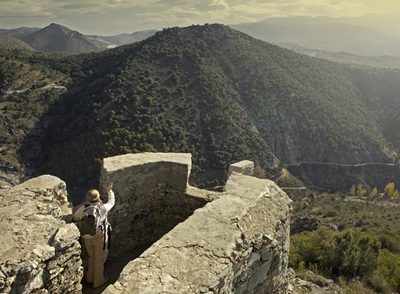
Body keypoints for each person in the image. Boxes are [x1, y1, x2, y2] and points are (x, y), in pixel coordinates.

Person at [73, 182, 115, 288]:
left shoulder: (83, 209)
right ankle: (98, 281)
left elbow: (75, 217)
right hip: (99, 237)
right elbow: (111, 202)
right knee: (99, 260)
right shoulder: (103, 208)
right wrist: (110, 191)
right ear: (99, 197)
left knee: (92, 257)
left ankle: (90, 279)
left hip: (87, 237)